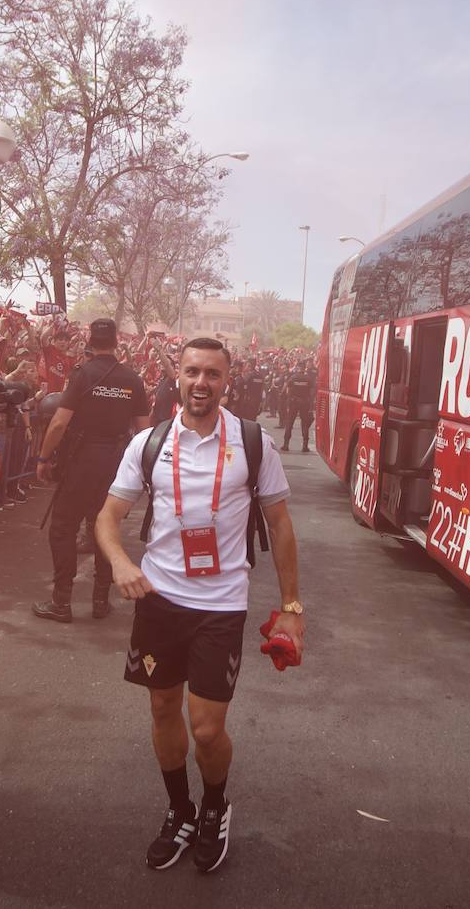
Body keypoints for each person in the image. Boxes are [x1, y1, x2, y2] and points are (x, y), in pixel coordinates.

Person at [96, 336, 304, 873]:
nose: (201, 383)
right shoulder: (150, 443)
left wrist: (291, 607)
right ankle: (179, 810)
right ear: (178, 375)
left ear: (226, 381)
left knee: (207, 728)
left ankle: (214, 807)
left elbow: (280, 525)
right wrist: (120, 563)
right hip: (160, 600)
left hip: (221, 604)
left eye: (212, 374)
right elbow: (107, 516)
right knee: (163, 709)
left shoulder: (253, 442)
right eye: (192, 372)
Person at [33, 319, 150, 622]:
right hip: (116, 464)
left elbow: (59, 423)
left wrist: (43, 459)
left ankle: (61, 602)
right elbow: (143, 432)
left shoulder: (82, 375)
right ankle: (100, 600)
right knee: (105, 527)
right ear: (115, 343)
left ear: (89, 341)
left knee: (63, 527)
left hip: (81, 461)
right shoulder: (132, 379)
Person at [281, 360, 316, 452]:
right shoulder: (308, 379)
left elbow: (287, 389)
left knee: (289, 423)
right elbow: (312, 393)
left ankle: (286, 444)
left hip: (293, 402)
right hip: (305, 403)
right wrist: (311, 405)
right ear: (304, 368)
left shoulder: (293, 377)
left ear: (298, 368)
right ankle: (305, 446)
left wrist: (284, 395)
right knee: (304, 424)